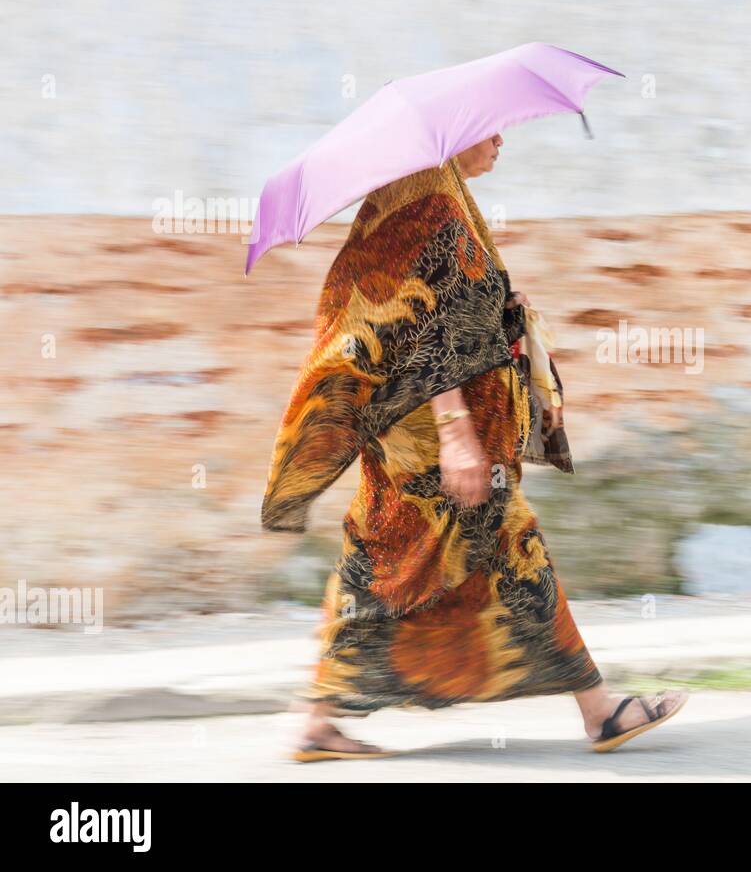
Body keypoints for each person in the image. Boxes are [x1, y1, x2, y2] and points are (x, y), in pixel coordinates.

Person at [259, 132, 684, 761]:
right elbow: (423, 325)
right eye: (489, 129)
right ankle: (601, 710)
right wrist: (458, 433)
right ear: (452, 139)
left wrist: (505, 306)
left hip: (425, 432)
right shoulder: (428, 205)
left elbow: (455, 304)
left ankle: (317, 718)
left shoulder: (436, 195)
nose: (502, 140)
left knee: (401, 561)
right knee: (482, 548)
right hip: (429, 438)